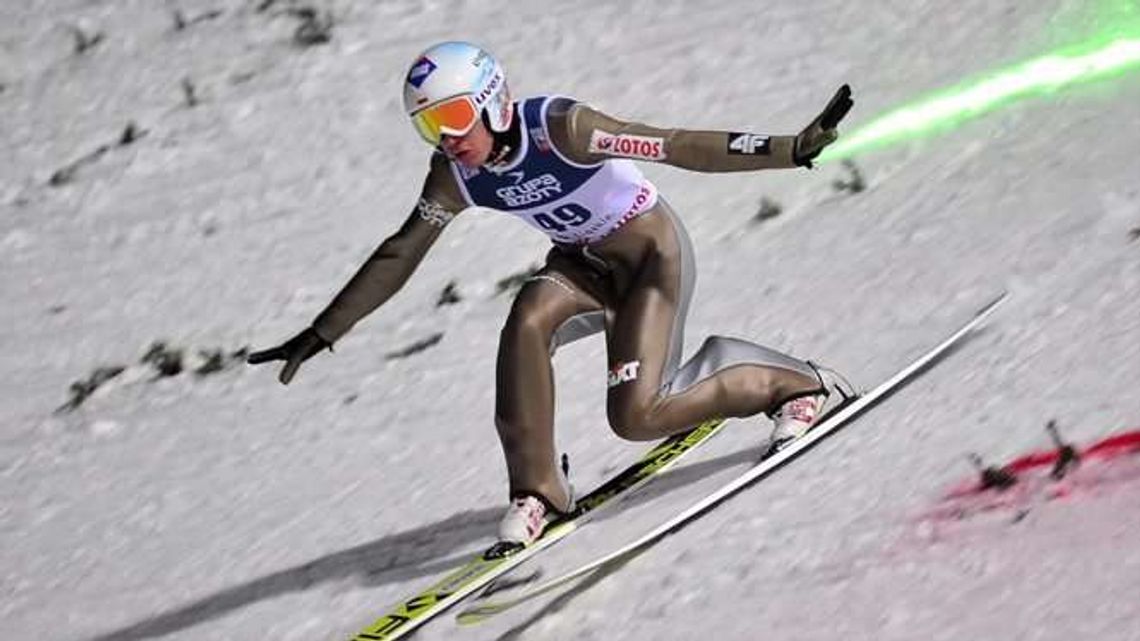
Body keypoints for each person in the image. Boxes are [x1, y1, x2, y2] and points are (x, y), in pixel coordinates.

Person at [248, 41, 857, 549]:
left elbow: (672, 144)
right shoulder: (457, 173)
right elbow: (402, 250)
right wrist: (323, 330)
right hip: (580, 269)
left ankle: (797, 382)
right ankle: (539, 489)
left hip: (650, 262)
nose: (447, 138)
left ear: (493, 103)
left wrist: (785, 148)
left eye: (454, 118)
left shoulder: (564, 129)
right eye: (428, 126)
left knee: (638, 418)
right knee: (527, 319)